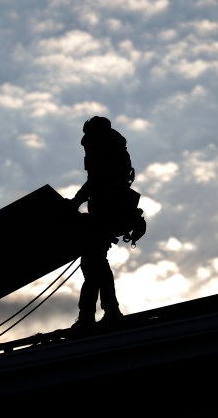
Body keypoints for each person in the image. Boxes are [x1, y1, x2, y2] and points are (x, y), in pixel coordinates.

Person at [67, 116, 136, 330]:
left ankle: (92, 315)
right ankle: (106, 311)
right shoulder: (114, 147)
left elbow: (96, 180)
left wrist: (76, 201)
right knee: (96, 262)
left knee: (92, 262)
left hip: (105, 210)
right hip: (111, 210)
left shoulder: (100, 146)